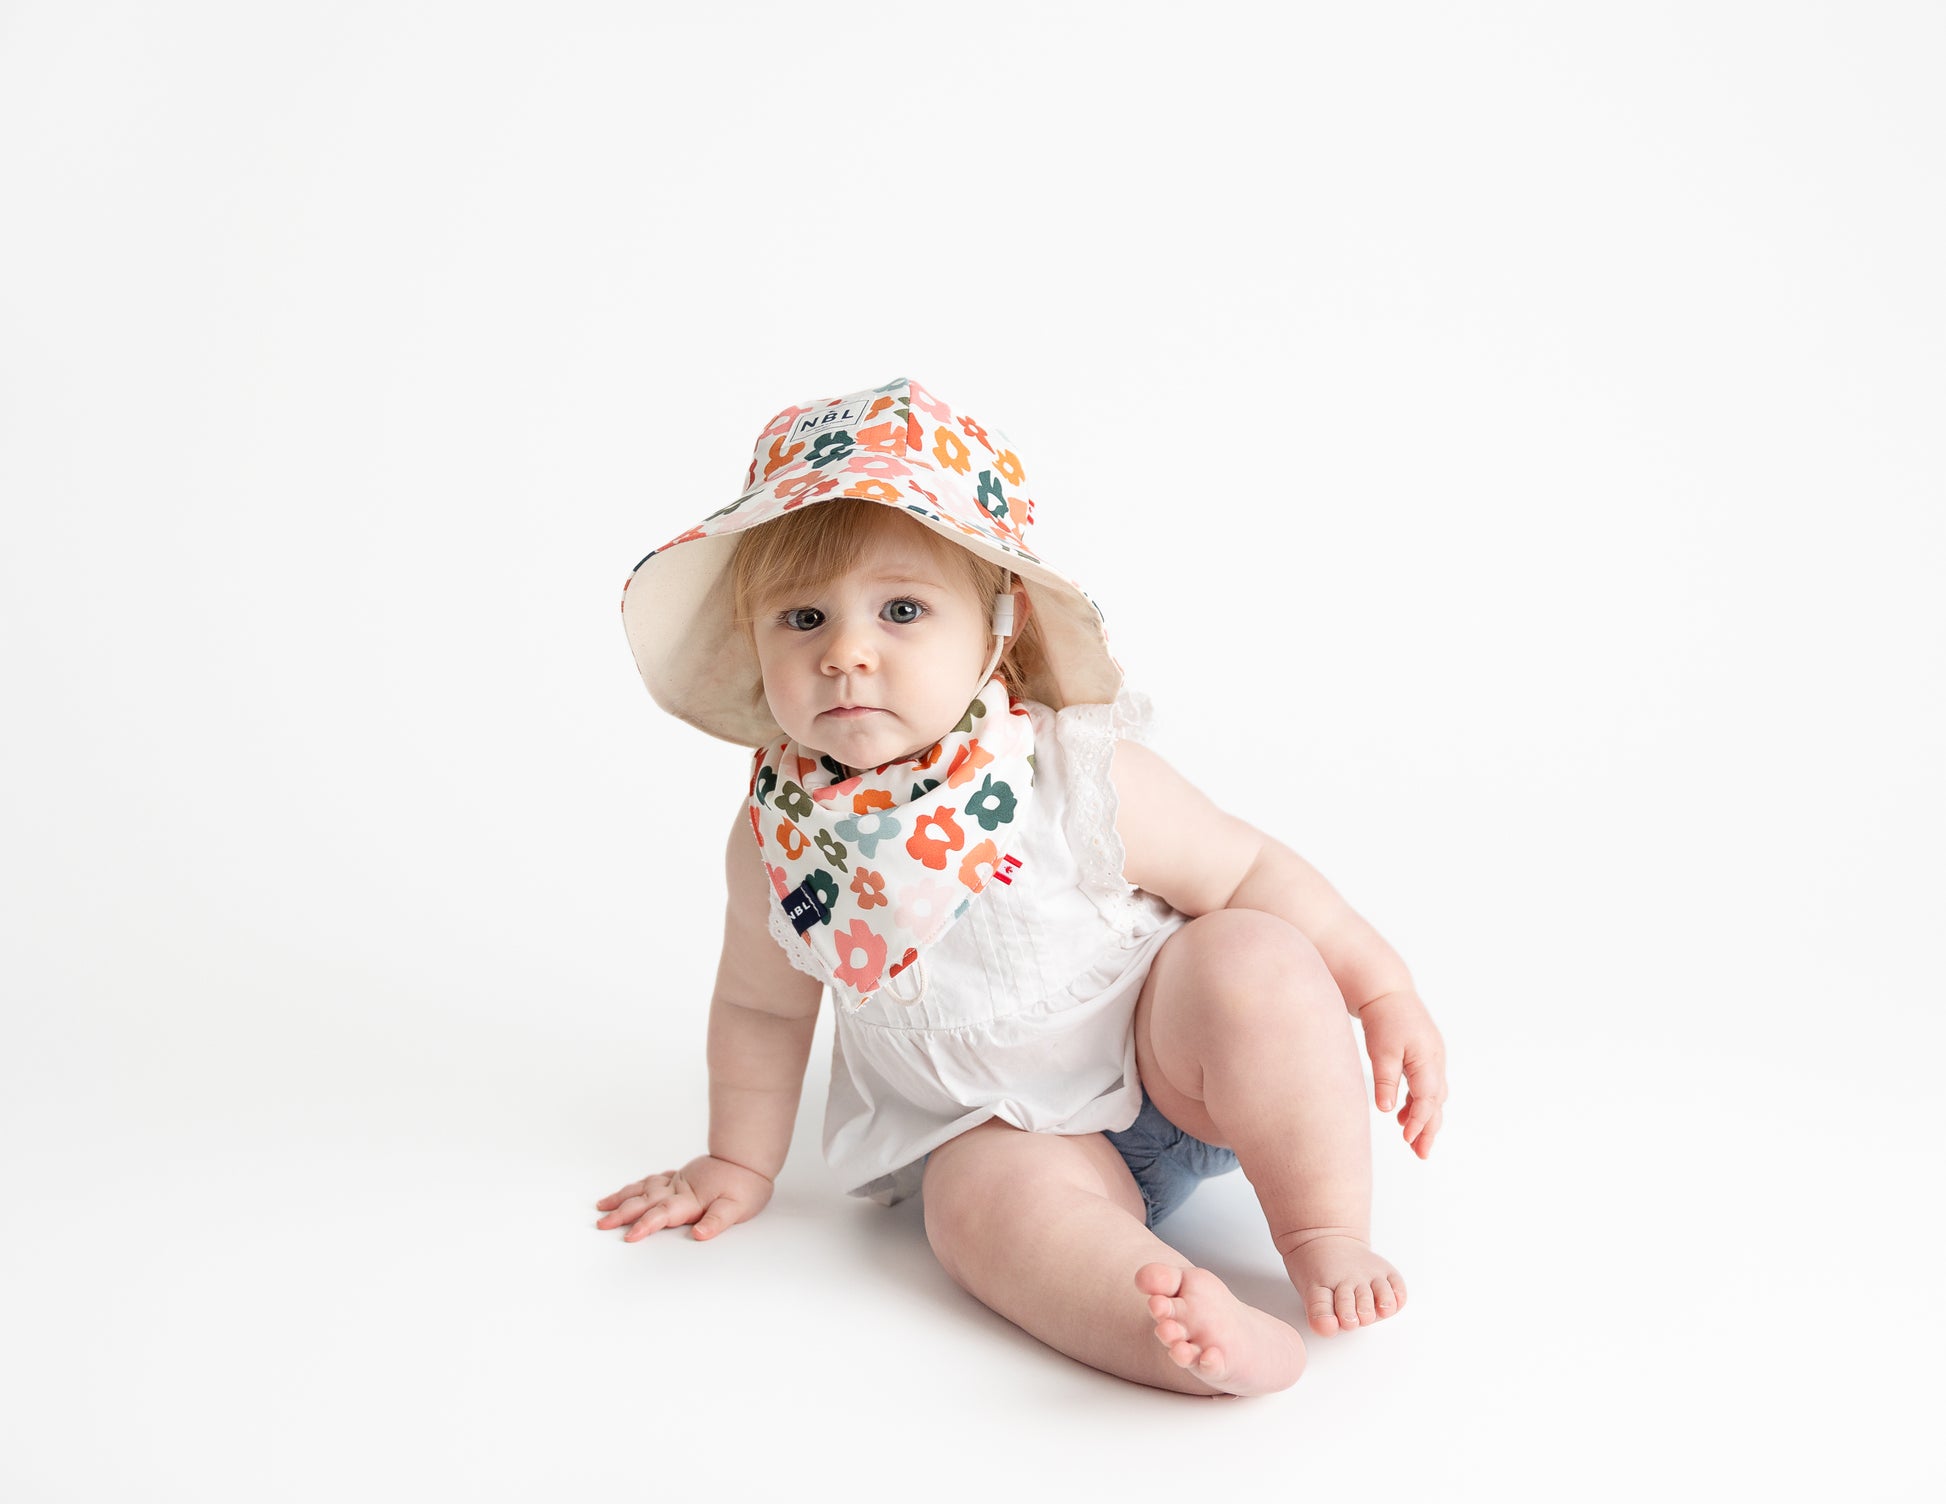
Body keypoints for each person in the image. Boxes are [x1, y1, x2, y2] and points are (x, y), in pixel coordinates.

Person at [594, 376, 1448, 1398]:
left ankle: (1322, 1234)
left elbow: (1251, 871)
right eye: (803, 617)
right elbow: (759, 1009)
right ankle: (1178, 1328)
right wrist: (736, 1162)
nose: (846, 653)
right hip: (1000, 1132)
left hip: (1176, 1067)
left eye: (901, 610)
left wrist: (1380, 988)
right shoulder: (779, 843)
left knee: (1251, 954)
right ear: (754, 642)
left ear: (998, 626)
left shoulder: (1071, 771)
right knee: (970, 1210)